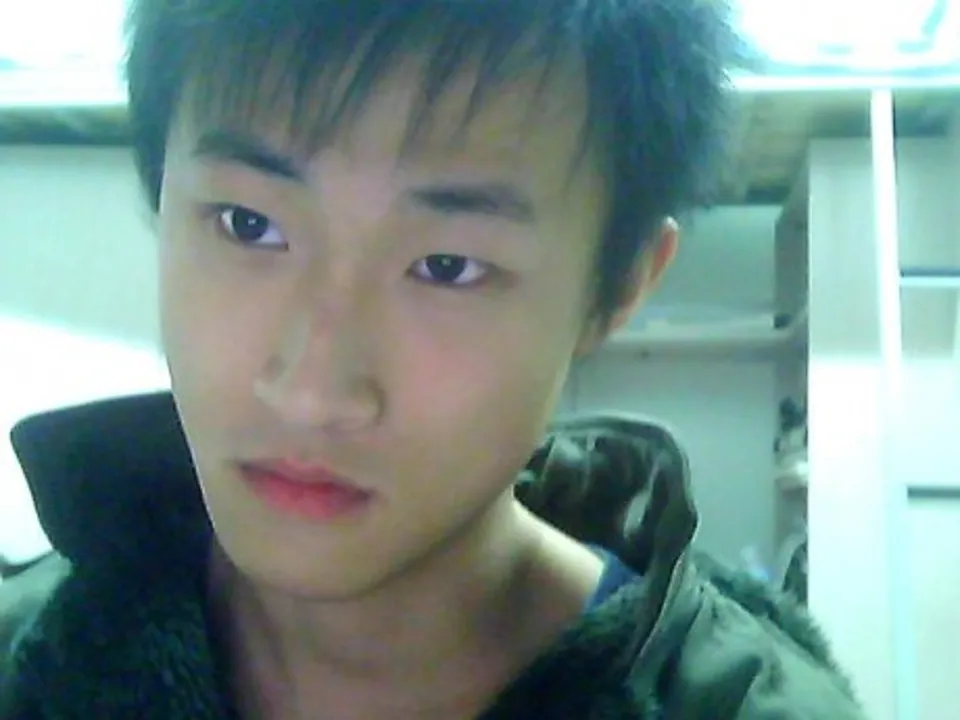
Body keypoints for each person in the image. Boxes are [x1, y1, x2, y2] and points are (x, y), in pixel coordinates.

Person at [0, 1, 865, 718]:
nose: (311, 391)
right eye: (248, 224)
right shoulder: (28, 660)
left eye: (447, 266)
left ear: (618, 289)